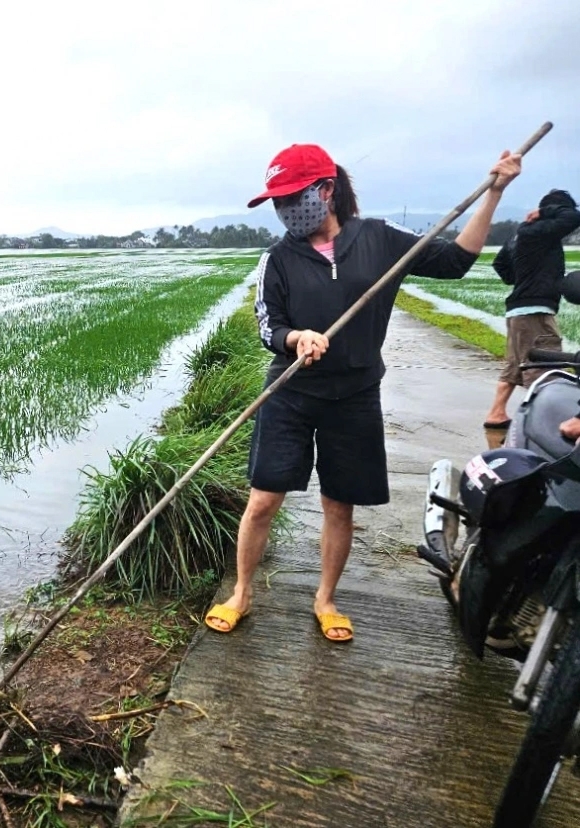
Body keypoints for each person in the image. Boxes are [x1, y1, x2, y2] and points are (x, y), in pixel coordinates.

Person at [204, 143, 522, 642]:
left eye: (293, 196)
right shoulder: (278, 258)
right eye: (277, 201)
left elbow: (456, 260)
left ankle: (325, 599)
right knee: (264, 498)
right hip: (292, 391)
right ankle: (241, 592)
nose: (285, 210)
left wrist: (494, 194)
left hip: (354, 394)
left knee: (339, 503)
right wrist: (296, 338)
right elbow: (269, 324)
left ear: (326, 190)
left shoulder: (378, 238)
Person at [483, 190, 580, 429]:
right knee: (544, 367)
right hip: (535, 310)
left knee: (515, 365)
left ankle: (496, 413)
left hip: (517, 310)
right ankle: (544, 425)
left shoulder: (519, 233)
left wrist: (523, 278)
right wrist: (547, 212)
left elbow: (500, 264)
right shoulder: (541, 231)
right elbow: (574, 217)